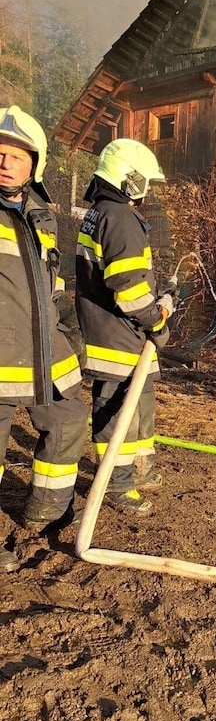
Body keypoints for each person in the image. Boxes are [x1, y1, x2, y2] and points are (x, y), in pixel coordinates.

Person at [0, 106, 87, 573]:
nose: (5, 161)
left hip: (45, 353)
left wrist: (71, 340)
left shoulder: (42, 218)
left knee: (70, 420)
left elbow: (54, 290)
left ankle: (46, 515)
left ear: (35, 163)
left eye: (16, 154)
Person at [75, 139, 174, 515]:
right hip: (121, 336)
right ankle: (116, 485)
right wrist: (158, 316)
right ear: (130, 179)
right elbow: (130, 295)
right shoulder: (119, 218)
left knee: (140, 403)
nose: (147, 192)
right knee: (117, 409)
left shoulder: (98, 213)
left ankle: (140, 469)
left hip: (117, 333)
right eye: (145, 183)